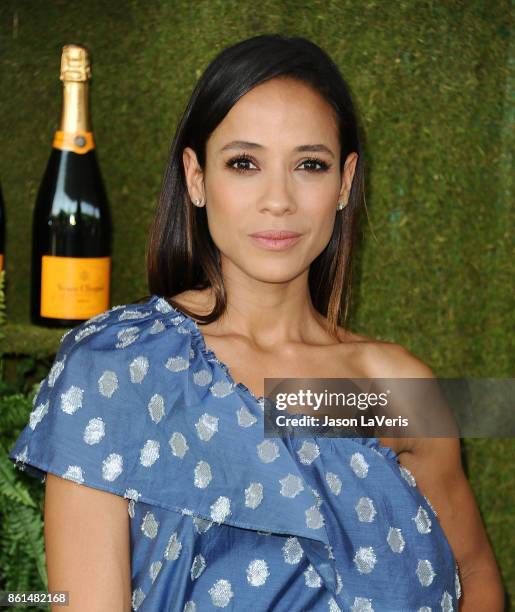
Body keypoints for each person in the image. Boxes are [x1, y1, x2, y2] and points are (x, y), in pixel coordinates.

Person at [9, 34, 504, 611]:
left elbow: (474, 573)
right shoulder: (117, 368)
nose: (279, 199)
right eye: (244, 163)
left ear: (344, 183)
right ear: (195, 177)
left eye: (309, 165)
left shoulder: (391, 388)